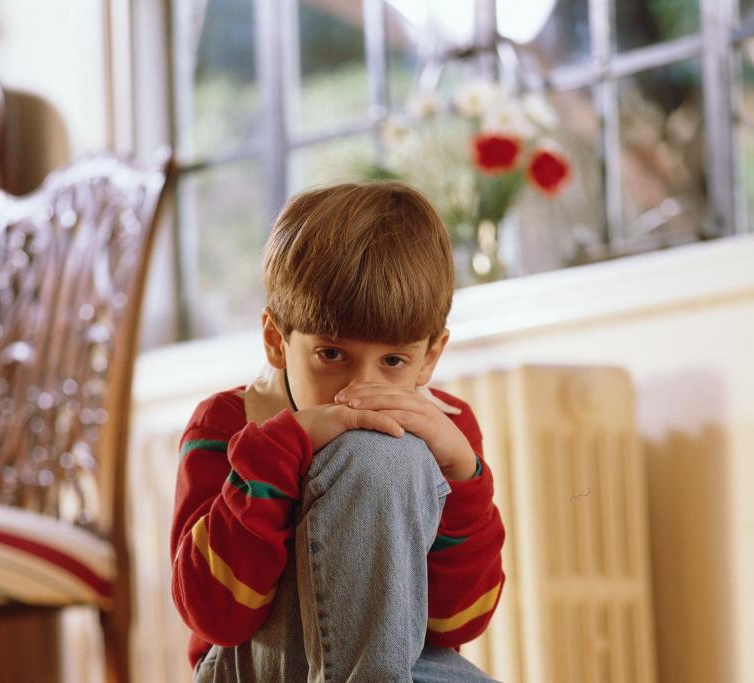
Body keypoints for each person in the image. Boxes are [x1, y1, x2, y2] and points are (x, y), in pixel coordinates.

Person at [171, 181, 506, 682]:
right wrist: (282, 450)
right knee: (375, 456)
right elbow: (214, 616)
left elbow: (452, 624)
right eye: (332, 355)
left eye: (394, 360)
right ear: (276, 342)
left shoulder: (447, 430)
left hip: (402, 666)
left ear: (430, 357)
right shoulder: (230, 423)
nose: (360, 389)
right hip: (254, 666)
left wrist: (464, 475)